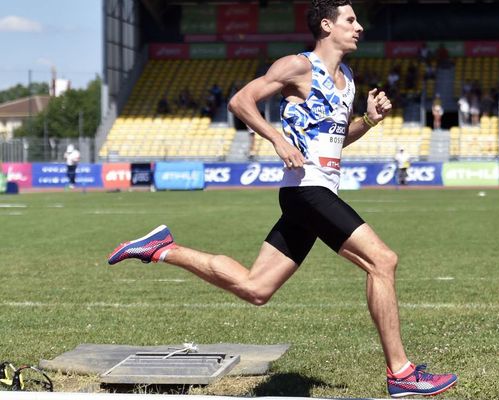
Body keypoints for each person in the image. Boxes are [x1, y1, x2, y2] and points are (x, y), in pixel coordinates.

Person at [107, 1, 457, 397]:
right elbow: (240, 101)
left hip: (316, 191)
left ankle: (161, 249)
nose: (359, 27)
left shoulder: (348, 78)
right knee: (383, 261)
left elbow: (337, 140)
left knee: (256, 289)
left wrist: (370, 120)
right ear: (326, 25)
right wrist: (277, 139)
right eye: (350, 20)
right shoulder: (298, 66)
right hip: (307, 189)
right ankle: (401, 373)